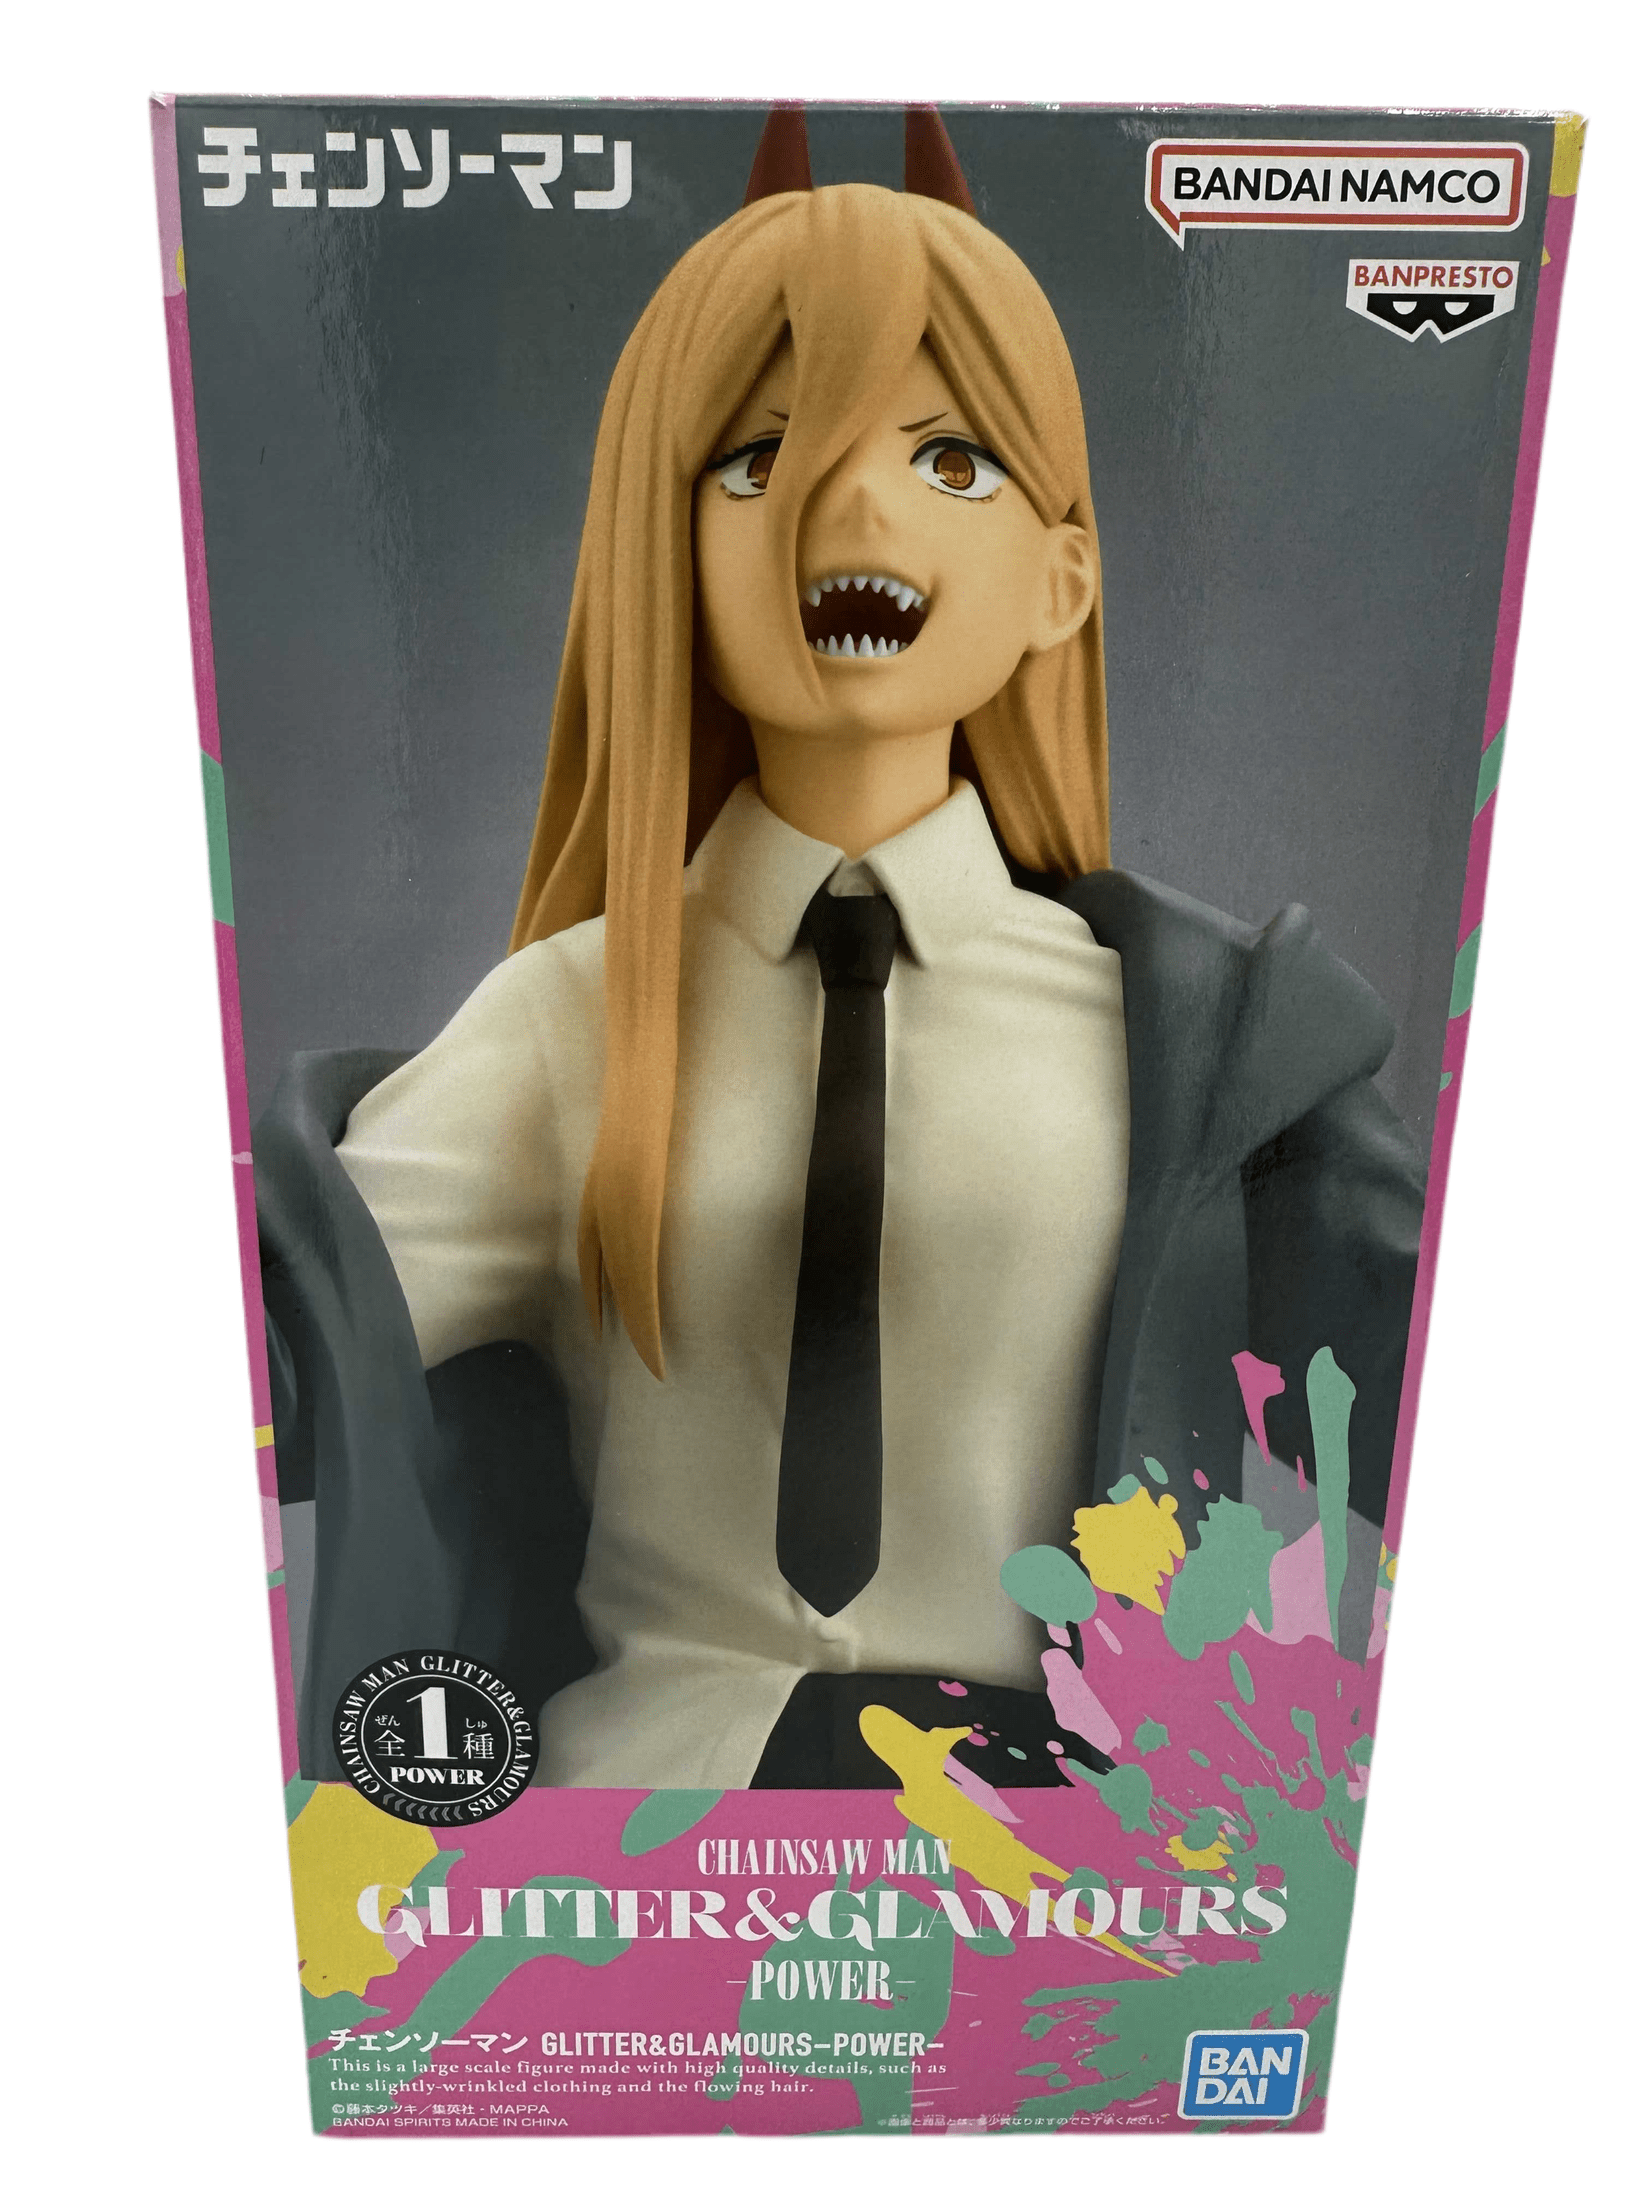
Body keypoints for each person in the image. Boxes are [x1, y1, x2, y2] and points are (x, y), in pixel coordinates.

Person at [258, 113, 1424, 1791]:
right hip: (646, 1837)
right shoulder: (564, 1025)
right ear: (667, 554)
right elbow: (282, 1350)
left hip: (1066, 1852)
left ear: (1060, 580)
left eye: (952, 463)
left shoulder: (1213, 1054)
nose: (848, 500)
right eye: (756, 458)